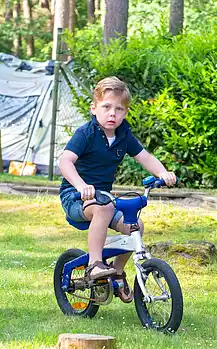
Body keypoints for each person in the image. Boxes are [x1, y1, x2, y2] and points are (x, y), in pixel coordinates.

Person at [59, 77, 176, 303]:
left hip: (103, 197)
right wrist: (81, 185)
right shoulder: (86, 134)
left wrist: (163, 173)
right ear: (94, 108)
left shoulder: (123, 135)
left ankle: (118, 272)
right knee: (103, 209)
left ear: (126, 112)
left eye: (119, 109)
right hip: (75, 196)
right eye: (106, 107)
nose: (112, 113)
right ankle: (94, 264)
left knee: (135, 225)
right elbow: (65, 161)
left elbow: (144, 157)